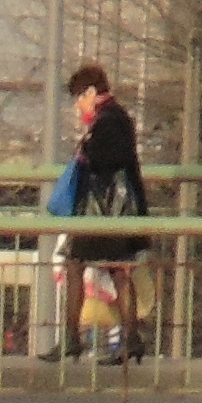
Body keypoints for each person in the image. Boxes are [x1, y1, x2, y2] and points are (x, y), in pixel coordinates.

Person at [63, 64, 152, 366]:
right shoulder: (116, 117)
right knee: (118, 271)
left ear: (91, 92)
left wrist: (86, 147)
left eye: (80, 97)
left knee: (75, 264)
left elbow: (106, 160)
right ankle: (131, 340)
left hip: (106, 211)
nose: (78, 105)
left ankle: (72, 340)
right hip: (115, 211)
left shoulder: (108, 120)